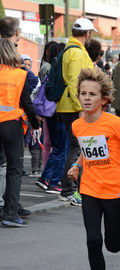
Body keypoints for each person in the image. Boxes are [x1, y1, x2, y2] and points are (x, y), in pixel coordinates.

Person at [67, 68, 120, 269]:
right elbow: (89, 146)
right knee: (93, 240)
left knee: (113, 246)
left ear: (103, 100)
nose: (87, 98)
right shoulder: (77, 125)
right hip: (90, 189)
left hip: (115, 191)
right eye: (83, 93)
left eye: (93, 94)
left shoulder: (115, 124)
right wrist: (77, 164)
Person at [0, 38, 40, 227]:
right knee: (14, 170)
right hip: (11, 126)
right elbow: (26, 102)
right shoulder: (20, 75)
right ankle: (10, 214)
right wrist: (35, 124)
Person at [57, 18, 96, 205]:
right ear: (87, 33)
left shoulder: (70, 49)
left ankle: (71, 188)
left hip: (68, 105)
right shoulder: (77, 53)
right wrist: (81, 108)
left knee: (74, 147)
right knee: (76, 147)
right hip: (73, 107)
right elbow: (74, 82)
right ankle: (69, 189)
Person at [35, 43, 69, 194]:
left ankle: (45, 178)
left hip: (49, 113)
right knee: (61, 148)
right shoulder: (61, 73)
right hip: (59, 113)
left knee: (56, 148)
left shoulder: (49, 70)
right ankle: (53, 181)